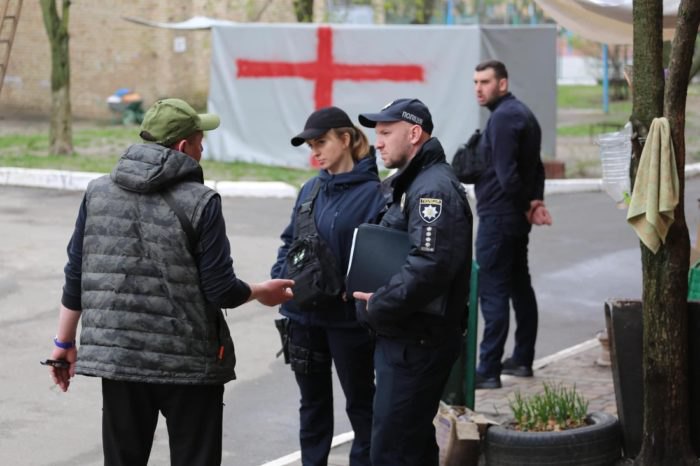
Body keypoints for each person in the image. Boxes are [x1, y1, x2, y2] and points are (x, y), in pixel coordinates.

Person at [46, 98, 294, 466]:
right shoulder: (202, 202)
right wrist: (261, 292)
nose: (203, 148)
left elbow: (76, 274)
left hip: (120, 362)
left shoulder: (97, 192)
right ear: (182, 148)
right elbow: (220, 289)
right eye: (199, 141)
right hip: (189, 365)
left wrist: (63, 343)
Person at [353, 98, 473, 466]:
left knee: (392, 452)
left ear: (415, 133)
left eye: (387, 133)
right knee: (413, 445)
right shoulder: (414, 181)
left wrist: (380, 304)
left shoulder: (431, 189)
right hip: (408, 337)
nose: (379, 142)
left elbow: (431, 265)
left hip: (415, 342)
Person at [271, 106, 386, 466]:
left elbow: (379, 259)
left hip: (348, 322)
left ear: (346, 139)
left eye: (321, 142)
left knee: (361, 404)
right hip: (302, 317)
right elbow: (291, 241)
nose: (315, 152)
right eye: (311, 145)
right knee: (313, 407)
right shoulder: (310, 188)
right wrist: (280, 278)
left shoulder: (376, 194)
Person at [470, 60, 552, 390]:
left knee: (493, 293)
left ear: (502, 84)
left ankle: (487, 369)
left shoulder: (503, 118)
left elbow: (507, 176)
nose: (479, 88)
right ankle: (521, 359)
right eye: (475, 82)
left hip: (499, 218)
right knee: (520, 287)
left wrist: (525, 207)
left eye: (485, 82)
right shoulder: (522, 114)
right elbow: (537, 167)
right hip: (513, 218)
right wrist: (534, 202)